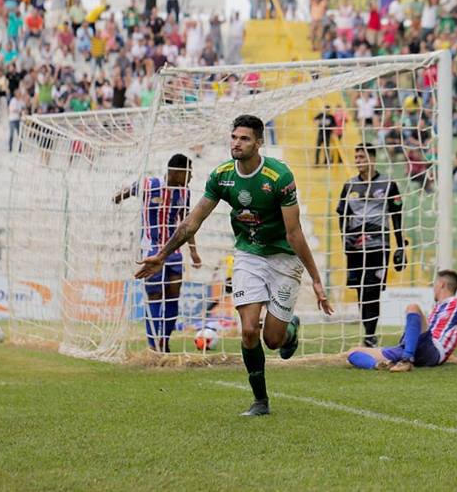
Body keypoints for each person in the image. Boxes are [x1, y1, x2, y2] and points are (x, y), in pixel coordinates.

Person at [135, 115, 333, 417]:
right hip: (248, 256)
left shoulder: (279, 176)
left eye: (244, 139)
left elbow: (294, 234)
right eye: (234, 137)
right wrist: (162, 255)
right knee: (250, 330)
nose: (236, 143)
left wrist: (316, 279)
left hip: (283, 258)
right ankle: (260, 401)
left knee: (272, 339)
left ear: (258, 143)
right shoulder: (222, 176)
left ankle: (290, 329)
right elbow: (192, 221)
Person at [114, 154, 202, 352]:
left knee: (173, 295)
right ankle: (153, 345)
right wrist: (119, 197)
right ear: (177, 172)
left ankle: (165, 340)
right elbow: (126, 193)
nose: (191, 177)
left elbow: (188, 223)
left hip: (173, 250)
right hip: (150, 249)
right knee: (154, 295)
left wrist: (194, 252)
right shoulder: (149, 184)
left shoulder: (184, 193)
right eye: (189, 172)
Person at [346, 269, 457, 371]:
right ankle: (379, 365)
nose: (433, 288)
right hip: (415, 348)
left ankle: (406, 361)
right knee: (353, 353)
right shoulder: (438, 308)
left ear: (442, 284)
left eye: (435, 284)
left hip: (431, 350)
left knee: (413, 307)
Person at [336, 143, 405, 348]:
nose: (358, 160)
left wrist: (401, 246)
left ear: (372, 158)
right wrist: (344, 239)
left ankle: (370, 333)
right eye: (356, 157)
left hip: (378, 245)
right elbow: (342, 214)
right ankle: (368, 331)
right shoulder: (349, 185)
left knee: (372, 289)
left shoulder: (389, 184)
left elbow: (396, 216)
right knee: (360, 289)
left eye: (361, 156)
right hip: (355, 246)